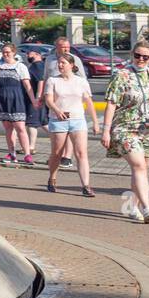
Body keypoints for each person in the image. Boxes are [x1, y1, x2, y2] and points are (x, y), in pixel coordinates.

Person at [102, 41, 149, 224]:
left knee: (142, 170)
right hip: (126, 127)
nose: (141, 59)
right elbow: (111, 103)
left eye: (145, 57)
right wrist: (106, 131)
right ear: (132, 54)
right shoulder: (122, 75)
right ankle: (147, 208)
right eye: (137, 55)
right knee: (139, 166)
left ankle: (132, 206)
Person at [43, 53, 99, 196]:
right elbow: (48, 100)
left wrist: (96, 122)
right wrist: (57, 110)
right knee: (57, 153)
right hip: (58, 120)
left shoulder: (81, 82)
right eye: (59, 63)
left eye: (63, 63)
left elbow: (89, 102)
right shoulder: (52, 80)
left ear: (72, 65)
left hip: (77, 120)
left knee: (81, 153)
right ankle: (52, 178)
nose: (60, 65)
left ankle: (86, 186)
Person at [0, 44, 37, 166]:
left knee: (20, 127)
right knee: (8, 128)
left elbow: (27, 86)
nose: (6, 54)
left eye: (8, 52)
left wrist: (33, 100)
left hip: (16, 98)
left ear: (14, 52)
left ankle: (27, 154)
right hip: (2, 98)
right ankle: (11, 153)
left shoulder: (20, 66)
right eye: (4, 52)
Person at [50, 37, 87, 170]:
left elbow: (82, 77)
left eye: (68, 47)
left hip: (72, 98)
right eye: (63, 47)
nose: (66, 49)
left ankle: (67, 156)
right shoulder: (50, 59)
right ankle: (57, 160)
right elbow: (45, 77)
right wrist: (40, 95)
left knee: (72, 126)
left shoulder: (75, 59)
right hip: (56, 97)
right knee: (59, 135)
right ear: (57, 47)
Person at [24, 49, 49, 160]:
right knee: (42, 121)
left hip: (35, 98)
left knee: (32, 123)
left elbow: (41, 81)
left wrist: (37, 97)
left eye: (29, 53)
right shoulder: (38, 65)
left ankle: (31, 147)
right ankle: (59, 138)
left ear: (37, 55)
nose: (27, 55)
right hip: (35, 98)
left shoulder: (38, 65)